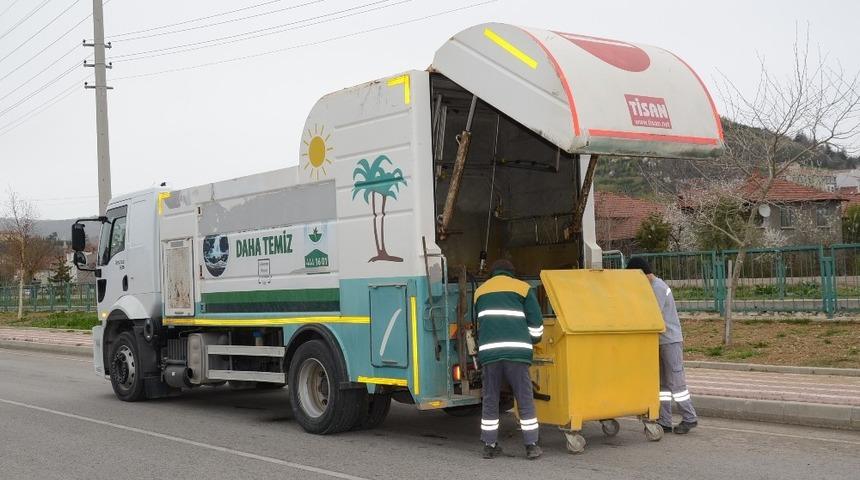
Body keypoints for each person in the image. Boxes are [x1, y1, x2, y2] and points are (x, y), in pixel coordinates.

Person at [474, 259, 544, 460]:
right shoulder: (523, 289)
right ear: (512, 273)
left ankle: (489, 445)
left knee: (490, 398)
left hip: (490, 354)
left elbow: (478, 323)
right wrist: (531, 339)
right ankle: (531, 445)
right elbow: (536, 324)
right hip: (517, 353)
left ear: (493, 274)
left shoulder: (480, 291)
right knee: (524, 398)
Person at [627, 257, 698, 434]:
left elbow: (651, 314)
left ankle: (690, 418)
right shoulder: (650, 287)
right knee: (663, 385)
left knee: (676, 382)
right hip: (659, 341)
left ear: (641, 273)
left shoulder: (658, 288)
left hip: (670, 341)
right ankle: (664, 420)